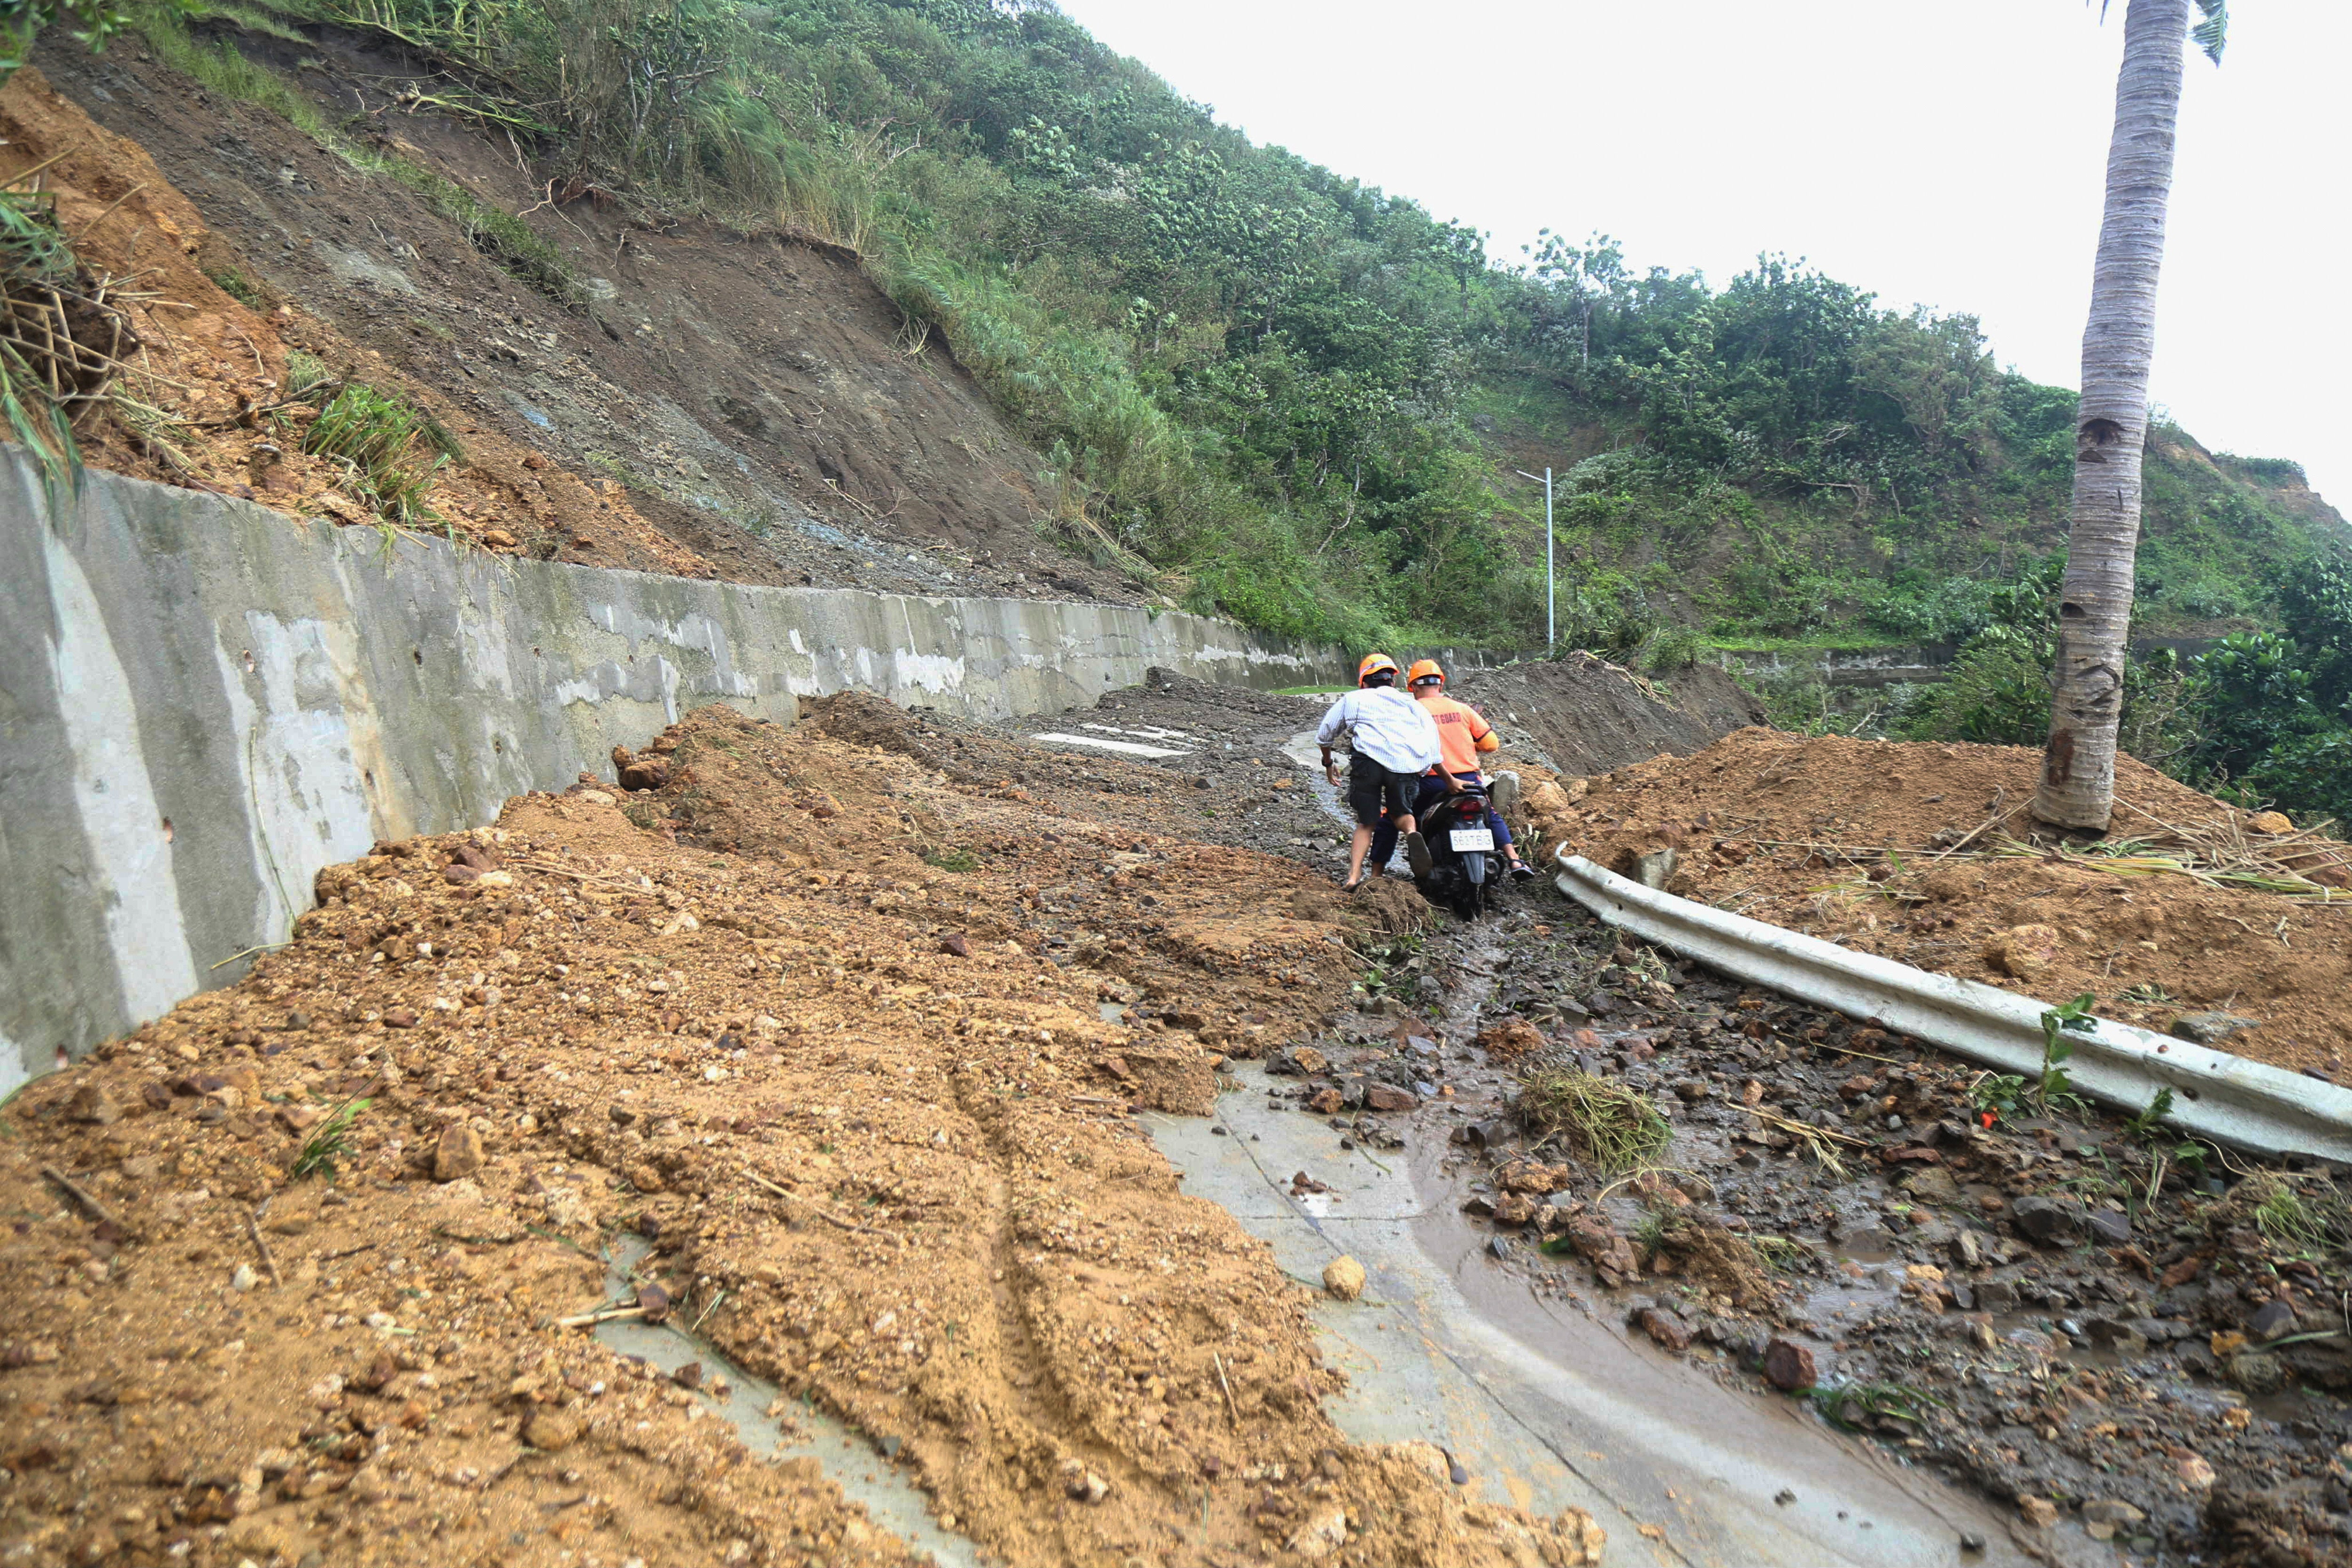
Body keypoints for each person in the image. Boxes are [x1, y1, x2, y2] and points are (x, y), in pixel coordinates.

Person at [1370, 660, 1538, 881]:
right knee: (1491, 815)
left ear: (1412, 687)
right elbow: (1491, 745)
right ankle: (1515, 859)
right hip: (1469, 780)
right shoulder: (1463, 710)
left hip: (1427, 783)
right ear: (1441, 684)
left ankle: (1376, 876)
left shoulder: (1410, 712)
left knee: (1392, 817)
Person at [1316, 654, 1447, 891]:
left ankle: (1354, 877)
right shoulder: (1413, 705)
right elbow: (1432, 745)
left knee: (1367, 822)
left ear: (1363, 682)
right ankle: (1410, 833)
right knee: (1401, 813)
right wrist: (1422, 769)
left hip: (1368, 763)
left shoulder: (1354, 699)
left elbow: (1325, 734)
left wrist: (1328, 763)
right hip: (1405, 764)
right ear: (1393, 682)